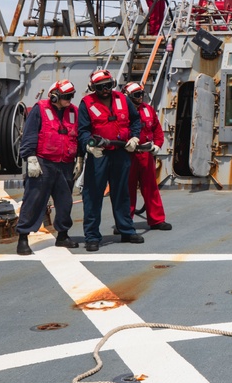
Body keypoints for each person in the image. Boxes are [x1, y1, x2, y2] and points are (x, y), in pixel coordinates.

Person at [78, 69, 144, 252]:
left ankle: (126, 230)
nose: (105, 90)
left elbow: (135, 121)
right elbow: (82, 130)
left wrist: (135, 138)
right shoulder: (87, 103)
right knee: (93, 196)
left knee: (122, 193)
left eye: (108, 86)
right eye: (100, 87)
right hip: (99, 155)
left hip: (121, 153)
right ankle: (92, 236)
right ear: (93, 88)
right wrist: (88, 146)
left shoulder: (123, 100)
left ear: (112, 84)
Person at [15, 80, 82, 255]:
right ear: (55, 96)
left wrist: (80, 158)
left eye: (71, 96)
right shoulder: (40, 109)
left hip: (66, 163)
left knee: (65, 202)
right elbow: (29, 134)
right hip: (43, 162)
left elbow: (79, 136)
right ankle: (23, 238)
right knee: (33, 200)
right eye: (66, 96)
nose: (69, 100)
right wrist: (30, 157)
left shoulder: (74, 111)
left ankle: (63, 235)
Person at [123, 82, 171, 231]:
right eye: (137, 95)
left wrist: (157, 144)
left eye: (141, 94)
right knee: (127, 190)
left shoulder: (148, 110)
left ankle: (157, 220)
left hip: (145, 154)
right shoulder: (122, 112)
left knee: (150, 187)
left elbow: (157, 129)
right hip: (128, 155)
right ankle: (124, 222)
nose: (140, 98)